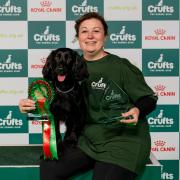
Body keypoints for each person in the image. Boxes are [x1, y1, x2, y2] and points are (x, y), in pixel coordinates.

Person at [19, 12, 158, 180]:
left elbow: (148, 99)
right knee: (49, 166)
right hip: (87, 140)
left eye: (96, 31)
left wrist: (138, 110)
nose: (90, 36)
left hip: (122, 141)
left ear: (105, 36)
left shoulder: (121, 66)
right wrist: (31, 106)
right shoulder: (66, 68)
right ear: (78, 37)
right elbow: (52, 104)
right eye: (84, 31)